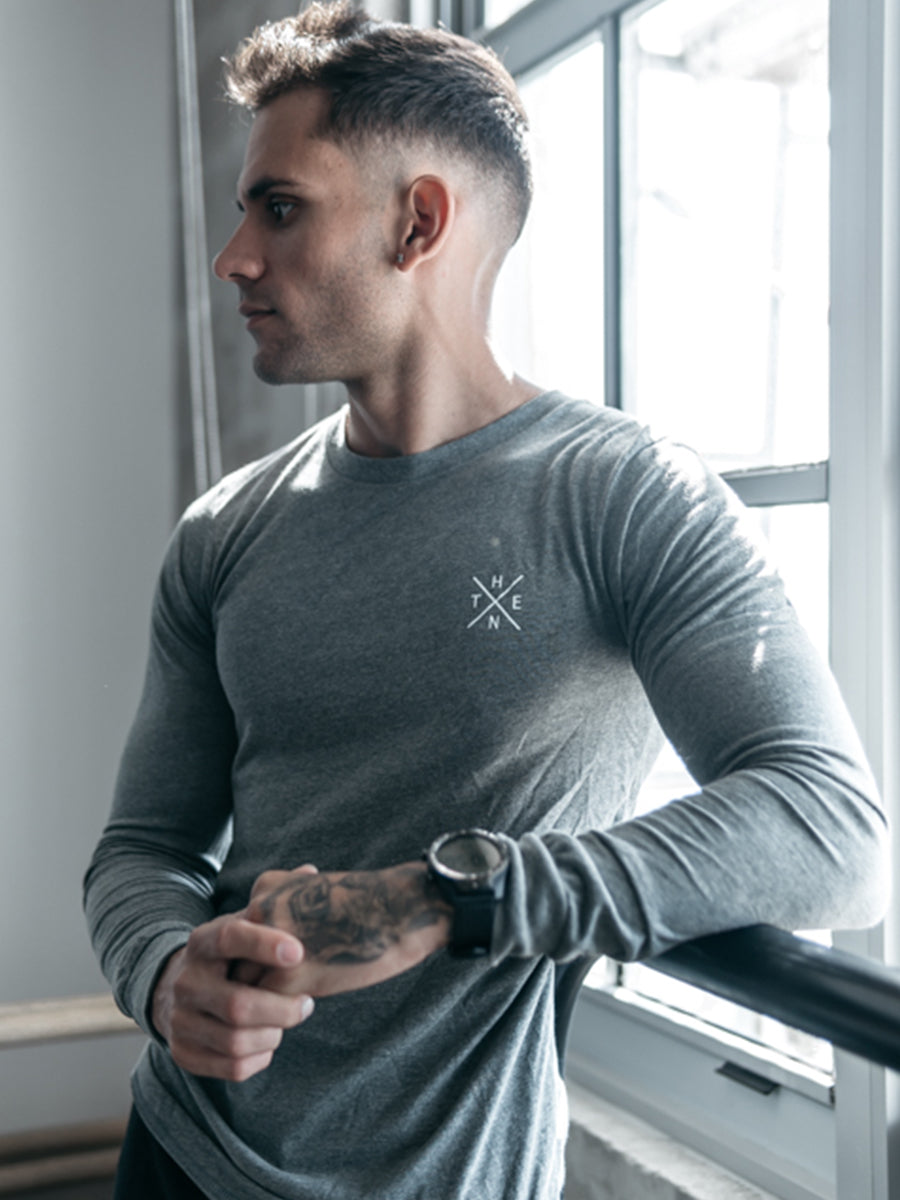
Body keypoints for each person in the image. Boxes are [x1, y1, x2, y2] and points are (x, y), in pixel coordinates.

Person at [84, 4, 888, 1198]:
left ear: (418, 222)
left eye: (280, 208)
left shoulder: (627, 497)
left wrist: (446, 896)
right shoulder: (225, 529)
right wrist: (160, 971)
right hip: (180, 1156)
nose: (234, 257)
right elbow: (144, 848)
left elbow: (834, 831)